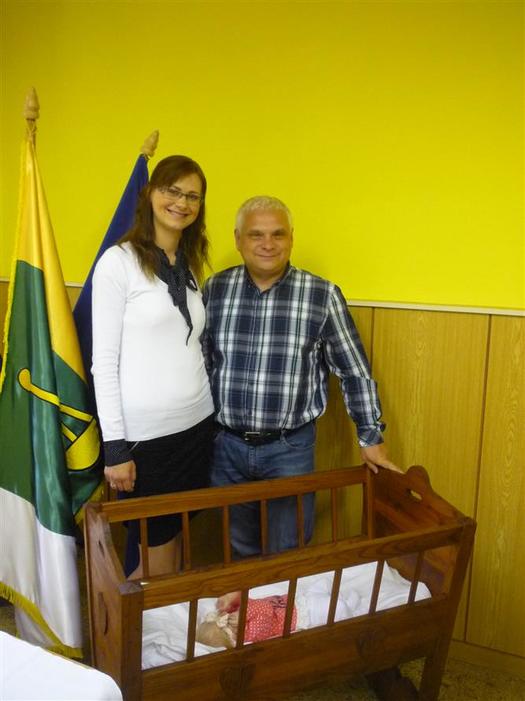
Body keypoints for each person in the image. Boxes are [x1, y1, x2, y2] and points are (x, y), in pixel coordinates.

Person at [202, 195, 400, 559]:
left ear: (291, 238)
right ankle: (248, 599)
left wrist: (370, 435)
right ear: (238, 239)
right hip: (226, 447)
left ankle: (283, 599)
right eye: (256, 234)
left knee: (289, 553)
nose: (268, 244)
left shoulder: (322, 296)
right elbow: (201, 364)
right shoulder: (214, 290)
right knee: (238, 551)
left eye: (278, 234)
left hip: (289, 449)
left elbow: (354, 371)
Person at [92, 155, 214, 577]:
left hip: (197, 427)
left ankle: (160, 619)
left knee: (173, 543)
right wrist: (115, 447)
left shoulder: (190, 264)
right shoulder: (118, 262)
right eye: (172, 190)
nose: (182, 202)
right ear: (149, 194)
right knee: (156, 555)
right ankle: (134, 623)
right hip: (148, 439)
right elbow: (104, 363)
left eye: (192, 196)